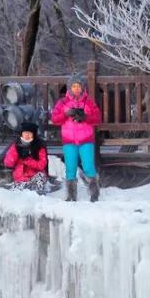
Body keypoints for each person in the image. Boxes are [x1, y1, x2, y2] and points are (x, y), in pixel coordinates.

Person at [50, 73, 102, 202]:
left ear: (83, 87)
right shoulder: (62, 102)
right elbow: (55, 119)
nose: (76, 88)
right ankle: (71, 195)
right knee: (70, 167)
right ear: (69, 88)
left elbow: (97, 119)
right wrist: (66, 114)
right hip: (69, 140)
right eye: (73, 86)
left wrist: (85, 117)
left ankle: (94, 192)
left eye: (79, 86)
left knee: (88, 166)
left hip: (86, 140)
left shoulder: (89, 101)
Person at [3, 122, 52, 194]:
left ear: (33, 134)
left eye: (29, 133)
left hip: (35, 178)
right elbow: (8, 163)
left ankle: (39, 197)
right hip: (20, 179)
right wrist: (17, 152)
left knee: (40, 177)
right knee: (14, 196)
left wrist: (27, 159)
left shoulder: (39, 147)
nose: (27, 135)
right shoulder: (16, 145)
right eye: (25, 133)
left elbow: (42, 165)